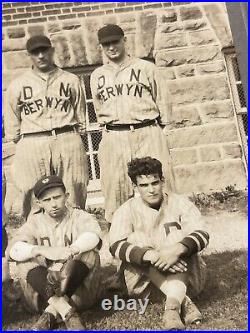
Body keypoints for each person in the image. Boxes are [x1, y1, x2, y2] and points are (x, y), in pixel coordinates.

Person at [109, 157, 209, 330]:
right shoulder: (126, 209)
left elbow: (202, 233)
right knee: (136, 239)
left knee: (176, 237)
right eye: (144, 185)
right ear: (135, 187)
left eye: (155, 183)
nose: (151, 190)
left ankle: (172, 307)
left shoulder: (179, 202)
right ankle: (182, 302)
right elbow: (115, 245)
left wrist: (177, 250)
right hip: (145, 286)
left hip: (190, 281)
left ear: (163, 181)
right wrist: (153, 255)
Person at [90, 24, 175, 223]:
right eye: (106, 44)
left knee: (160, 185)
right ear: (101, 47)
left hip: (147, 129)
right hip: (114, 135)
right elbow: (99, 107)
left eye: (115, 42)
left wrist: (163, 129)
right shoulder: (97, 76)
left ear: (124, 41)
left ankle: (170, 235)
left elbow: (163, 101)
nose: (111, 47)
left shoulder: (146, 68)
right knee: (115, 189)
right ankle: (121, 244)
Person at [4, 35, 88, 219]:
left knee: (73, 190)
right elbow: (12, 126)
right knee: (31, 192)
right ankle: (37, 241)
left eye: (44, 51)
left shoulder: (71, 80)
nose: (41, 56)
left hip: (66, 136)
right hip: (33, 140)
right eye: (35, 52)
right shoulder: (17, 85)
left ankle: (76, 240)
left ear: (51, 51)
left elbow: (81, 117)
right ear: (30, 55)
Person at [7, 175, 102, 330]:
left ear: (66, 196)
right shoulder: (34, 222)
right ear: (38, 203)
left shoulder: (79, 216)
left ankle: (51, 313)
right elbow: (13, 250)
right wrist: (41, 250)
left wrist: (69, 251)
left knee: (89, 253)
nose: (53, 204)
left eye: (57, 197)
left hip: (79, 295)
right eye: (47, 200)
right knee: (25, 259)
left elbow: (94, 237)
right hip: (41, 297)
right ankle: (66, 311)